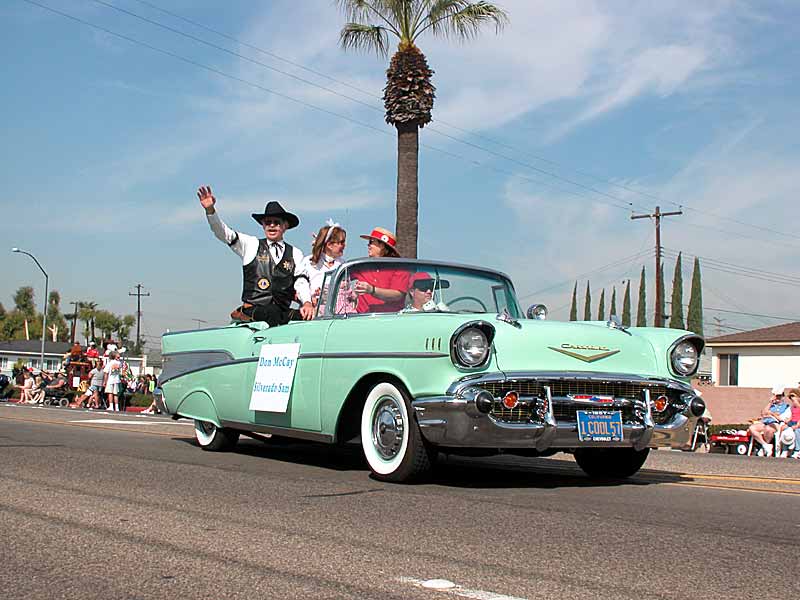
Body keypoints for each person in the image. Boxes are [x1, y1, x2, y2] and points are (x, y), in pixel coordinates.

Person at [198, 185, 313, 326]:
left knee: (307, 317)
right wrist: (210, 210)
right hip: (254, 309)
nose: (272, 226)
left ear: (285, 226)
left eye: (276, 222)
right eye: (268, 222)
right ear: (263, 225)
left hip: (281, 310)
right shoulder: (251, 244)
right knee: (272, 313)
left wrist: (307, 302)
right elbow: (223, 233)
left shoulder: (295, 253)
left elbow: (301, 281)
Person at [351, 227, 408, 313]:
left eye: (371, 242)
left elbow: (398, 295)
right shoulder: (362, 265)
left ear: (382, 245)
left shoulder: (400, 268)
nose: (368, 245)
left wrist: (371, 290)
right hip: (362, 319)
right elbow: (341, 275)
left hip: (390, 320)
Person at [297, 220, 347, 309]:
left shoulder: (343, 264)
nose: (344, 245)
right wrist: (308, 301)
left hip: (338, 313)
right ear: (330, 245)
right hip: (313, 313)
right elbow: (301, 284)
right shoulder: (308, 262)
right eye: (341, 242)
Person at [748, 385, 792, 456]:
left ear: (783, 397)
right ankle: (765, 445)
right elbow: (763, 413)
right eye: (776, 396)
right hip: (766, 422)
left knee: (768, 429)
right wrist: (770, 403)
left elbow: (782, 419)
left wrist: (772, 414)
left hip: (776, 424)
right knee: (752, 428)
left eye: (779, 396)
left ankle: (764, 448)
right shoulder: (771, 405)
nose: (777, 398)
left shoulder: (786, 407)